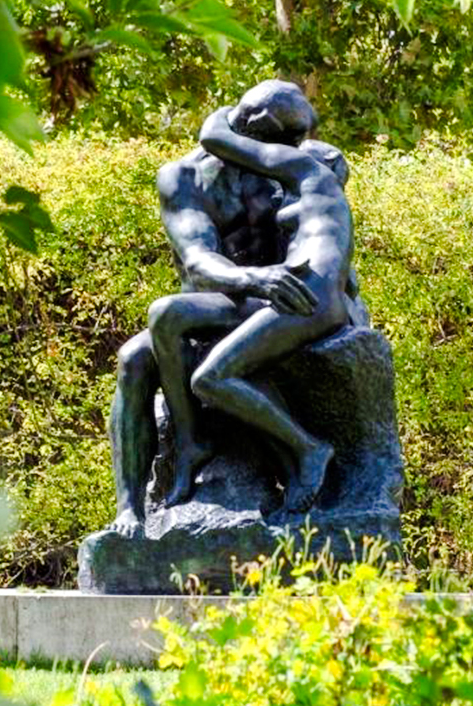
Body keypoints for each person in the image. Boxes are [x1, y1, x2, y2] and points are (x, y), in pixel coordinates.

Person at [106, 83, 317, 537]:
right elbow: (198, 259)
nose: (293, 152)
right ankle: (130, 508)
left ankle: (198, 442)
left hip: (273, 304)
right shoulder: (183, 178)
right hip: (219, 300)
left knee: (167, 317)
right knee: (133, 360)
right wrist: (253, 277)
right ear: (255, 130)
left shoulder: (286, 167)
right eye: (287, 142)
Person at [151, 92, 354, 514]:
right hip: (300, 294)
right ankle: (193, 444)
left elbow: (214, 135)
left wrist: (228, 112)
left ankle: (309, 449)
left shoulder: (305, 170)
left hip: (307, 299)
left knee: (210, 377)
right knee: (170, 322)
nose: (293, 150)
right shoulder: (305, 186)